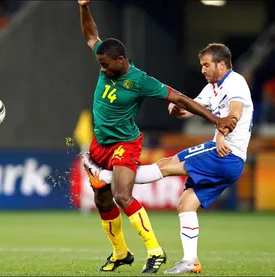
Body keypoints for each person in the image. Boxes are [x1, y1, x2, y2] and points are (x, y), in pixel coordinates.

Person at [78, 0, 237, 273]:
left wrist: (215, 119)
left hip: (125, 143)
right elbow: (92, 36)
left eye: (105, 65)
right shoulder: (105, 59)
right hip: (99, 143)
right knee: (101, 198)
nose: (102, 70)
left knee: (122, 195)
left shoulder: (140, 81)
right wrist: (83, 7)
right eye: (99, 65)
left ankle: (155, 251)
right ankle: (120, 253)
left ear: (120, 60)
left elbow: (180, 98)